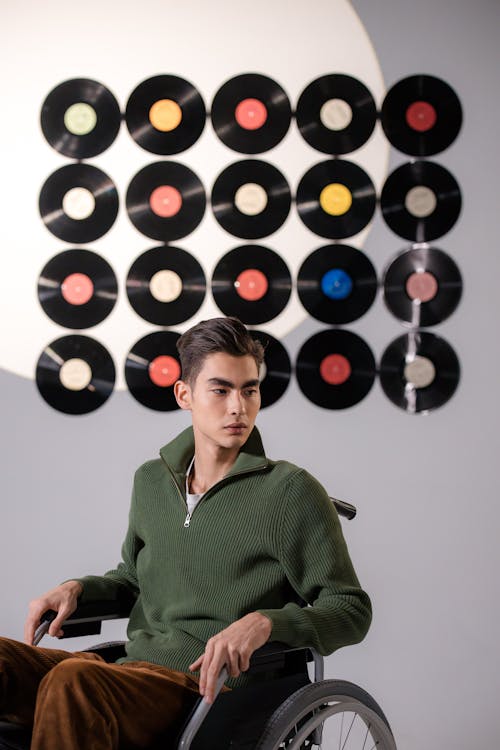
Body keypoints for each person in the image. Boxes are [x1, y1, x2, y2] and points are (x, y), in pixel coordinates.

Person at [0, 316, 372, 750]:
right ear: (185, 394)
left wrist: (265, 623)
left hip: (207, 690)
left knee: (73, 681)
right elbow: (134, 581)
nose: (238, 406)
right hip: (129, 672)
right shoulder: (152, 481)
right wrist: (77, 589)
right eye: (220, 390)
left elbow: (351, 609)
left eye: (249, 389)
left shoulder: (289, 491)